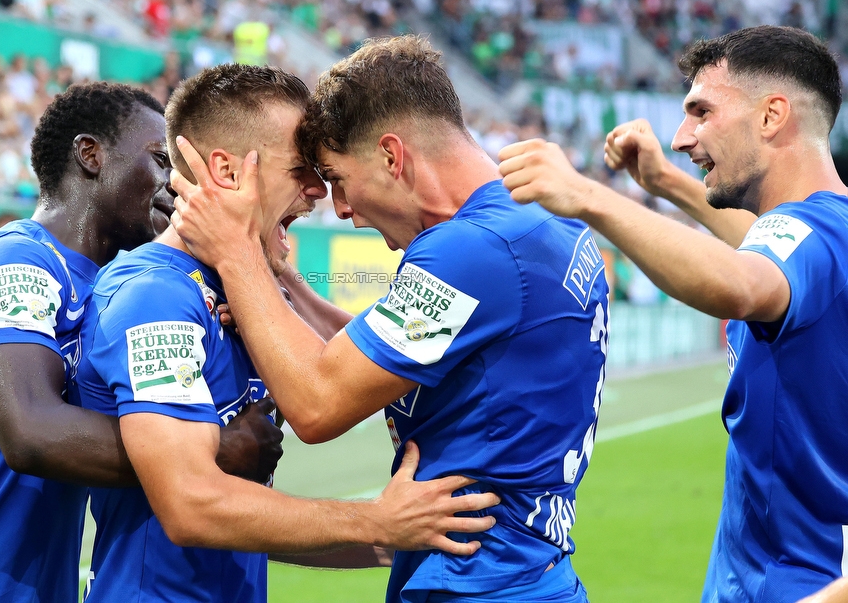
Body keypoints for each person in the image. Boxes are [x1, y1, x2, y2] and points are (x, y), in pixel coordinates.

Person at [169, 37, 608, 602]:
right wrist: (282, 286)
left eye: (338, 179)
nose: (344, 211)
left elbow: (317, 405)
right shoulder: (537, 221)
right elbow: (377, 348)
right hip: (527, 573)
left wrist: (236, 253)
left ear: (391, 156)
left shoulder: (470, 250)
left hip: (476, 583)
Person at [75, 63, 499, 602]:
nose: (319, 191)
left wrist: (415, 537)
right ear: (226, 172)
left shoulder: (237, 294)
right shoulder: (155, 296)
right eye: (300, 168)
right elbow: (190, 504)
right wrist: (375, 522)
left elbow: (250, 524)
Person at [498, 25, 848, 602]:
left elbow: (740, 281)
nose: (683, 136)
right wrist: (664, 184)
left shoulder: (809, 234)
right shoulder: (825, 233)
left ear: (771, 116)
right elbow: (760, 245)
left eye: (702, 111)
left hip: (793, 587)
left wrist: (587, 195)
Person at [0, 82, 283, 603]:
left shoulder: (112, 288)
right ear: (90, 155)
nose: (173, 184)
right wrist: (211, 449)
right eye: (159, 160)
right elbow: (32, 432)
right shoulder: (13, 261)